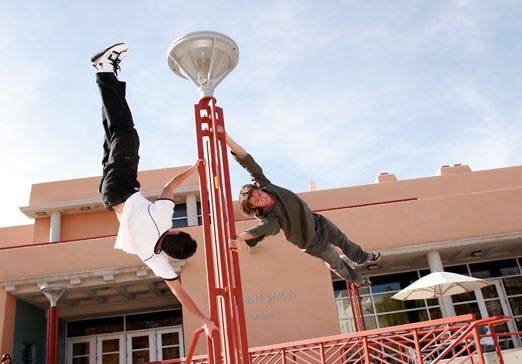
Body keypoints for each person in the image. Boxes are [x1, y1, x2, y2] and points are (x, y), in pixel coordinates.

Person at [91, 43, 217, 336]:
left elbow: (169, 186)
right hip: (108, 195)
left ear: (175, 233)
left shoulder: (164, 218)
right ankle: (106, 73)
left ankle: (104, 69)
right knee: (113, 132)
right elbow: (180, 294)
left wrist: (194, 168)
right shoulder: (153, 259)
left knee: (126, 133)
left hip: (121, 184)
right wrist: (204, 320)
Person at [226, 133, 380, 287]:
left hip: (318, 222)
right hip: (312, 242)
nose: (262, 198)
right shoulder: (270, 218)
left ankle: (362, 257)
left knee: (342, 240)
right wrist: (240, 238)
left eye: (259, 194)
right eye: (258, 201)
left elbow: (246, 159)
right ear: (255, 207)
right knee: (336, 261)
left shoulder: (265, 184)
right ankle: (358, 279)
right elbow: (261, 229)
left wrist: (227, 139)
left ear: (259, 189)